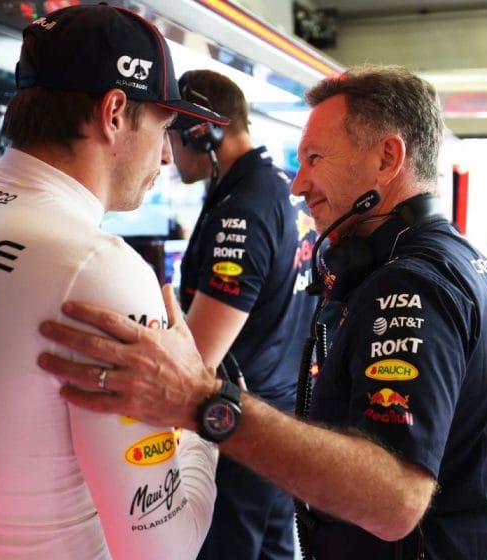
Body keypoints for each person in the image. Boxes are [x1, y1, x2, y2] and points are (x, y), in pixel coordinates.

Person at [38, 64, 487, 559]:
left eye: (315, 159)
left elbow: (397, 500)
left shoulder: (412, 285)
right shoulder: (463, 264)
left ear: (387, 158)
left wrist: (201, 402)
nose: (298, 185)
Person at [0, 5, 231, 559]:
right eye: (163, 126)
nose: (167, 155)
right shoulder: (100, 269)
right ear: (114, 112)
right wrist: (200, 416)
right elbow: (163, 551)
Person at [168, 69, 316, 560]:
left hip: (240, 425)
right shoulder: (277, 188)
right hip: (281, 415)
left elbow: (198, 355)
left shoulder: (243, 209)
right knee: (273, 550)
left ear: (202, 131)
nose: (168, 152)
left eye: (171, 133)